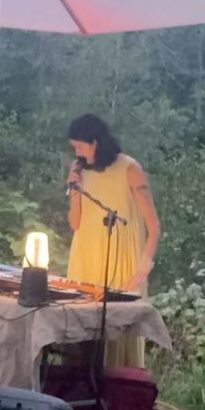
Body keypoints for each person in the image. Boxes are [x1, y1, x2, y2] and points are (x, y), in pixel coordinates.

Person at [66, 114, 161, 369]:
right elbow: (74, 223)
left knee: (115, 332)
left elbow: (154, 226)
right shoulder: (79, 169)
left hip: (121, 256)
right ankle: (78, 380)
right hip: (86, 255)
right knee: (83, 331)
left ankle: (113, 385)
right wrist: (74, 190)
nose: (77, 153)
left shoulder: (130, 169)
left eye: (80, 146)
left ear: (95, 142)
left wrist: (143, 268)